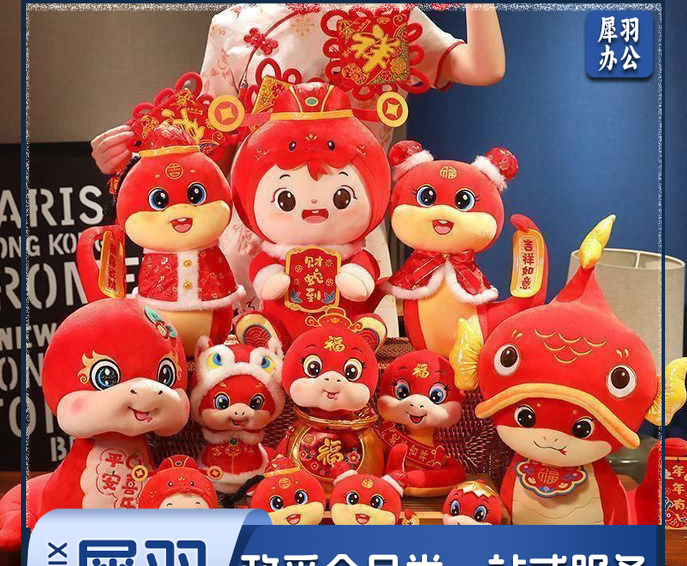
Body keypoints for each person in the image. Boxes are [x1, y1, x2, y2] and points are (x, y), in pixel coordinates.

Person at [90, 4, 506, 336]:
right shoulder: (234, 24)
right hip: (257, 244)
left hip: (351, 238)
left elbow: (483, 68)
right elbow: (212, 146)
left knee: (354, 372)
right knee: (252, 380)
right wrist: (140, 158)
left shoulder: (386, 16)